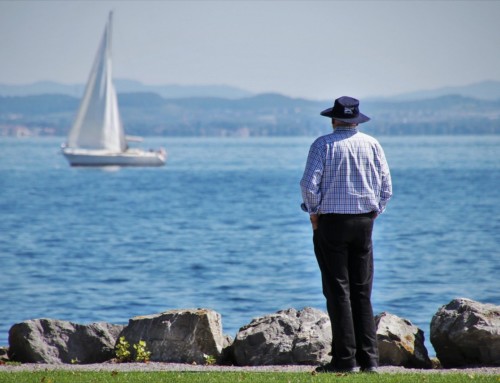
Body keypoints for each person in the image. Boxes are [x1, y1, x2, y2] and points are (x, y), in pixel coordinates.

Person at [300, 96, 392, 373]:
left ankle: (344, 360)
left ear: (334, 119)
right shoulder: (372, 144)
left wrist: (314, 213)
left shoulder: (322, 145)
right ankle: (370, 361)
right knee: (362, 292)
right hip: (364, 223)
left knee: (338, 291)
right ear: (356, 120)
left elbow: (308, 184)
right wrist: (374, 212)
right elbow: (386, 187)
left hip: (332, 223)